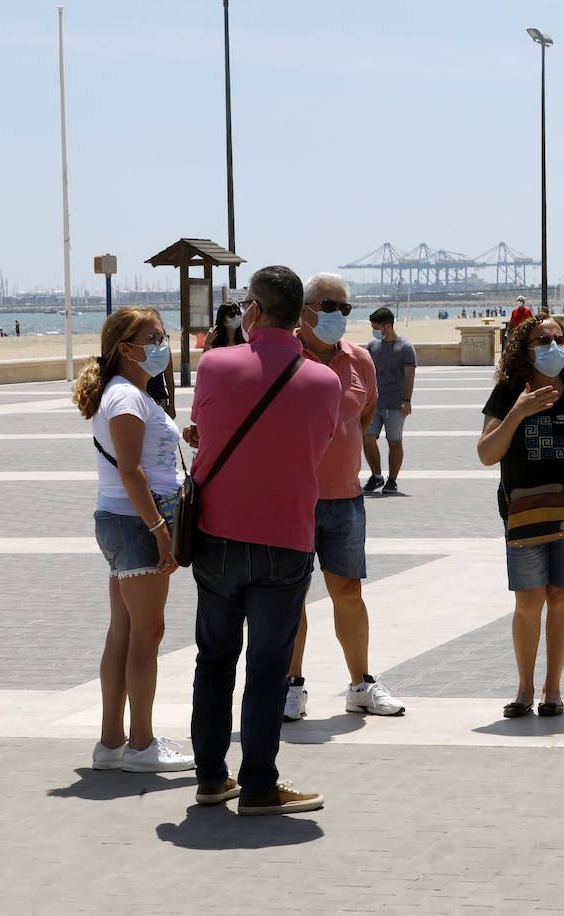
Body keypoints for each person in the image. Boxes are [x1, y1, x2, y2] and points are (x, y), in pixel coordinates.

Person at [187, 265, 340, 814]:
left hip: (217, 535)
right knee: (268, 669)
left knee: (214, 660)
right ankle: (258, 785)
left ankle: (209, 777)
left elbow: (203, 428)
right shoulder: (324, 380)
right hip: (285, 539)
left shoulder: (214, 363)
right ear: (301, 316)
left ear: (251, 309)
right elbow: (314, 451)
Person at [70, 306, 194, 774]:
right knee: (147, 634)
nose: (162, 343)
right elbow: (130, 470)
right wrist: (162, 532)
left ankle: (111, 743)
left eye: (163, 334)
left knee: (124, 632)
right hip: (137, 522)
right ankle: (141, 746)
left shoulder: (131, 394)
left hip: (124, 521)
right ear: (125, 348)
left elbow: (144, 457)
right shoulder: (124, 397)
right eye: (153, 337)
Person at [478, 316, 564, 719]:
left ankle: (552, 689)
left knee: (561, 600)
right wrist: (518, 411)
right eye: (542, 340)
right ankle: (523, 689)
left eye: (558, 339)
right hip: (523, 513)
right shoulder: (507, 394)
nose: (552, 346)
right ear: (525, 348)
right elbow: (487, 454)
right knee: (528, 602)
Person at [285, 272, 407, 722]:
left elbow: (365, 411)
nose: (339, 315)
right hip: (290, 499)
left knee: (349, 593)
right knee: (290, 597)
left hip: (345, 498)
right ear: (306, 310)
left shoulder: (360, 360)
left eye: (345, 307)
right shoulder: (283, 356)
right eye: (329, 305)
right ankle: (291, 686)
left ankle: (361, 684)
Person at [362, 306, 417, 494]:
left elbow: (409, 376)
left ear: (387, 326)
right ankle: (376, 476)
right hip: (374, 403)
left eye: (376, 327)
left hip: (395, 404)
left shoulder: (405, 347)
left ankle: (392, 480)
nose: (374, 331)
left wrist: (407, 400)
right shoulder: (372, 346)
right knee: (367, 437)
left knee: (394, 442)